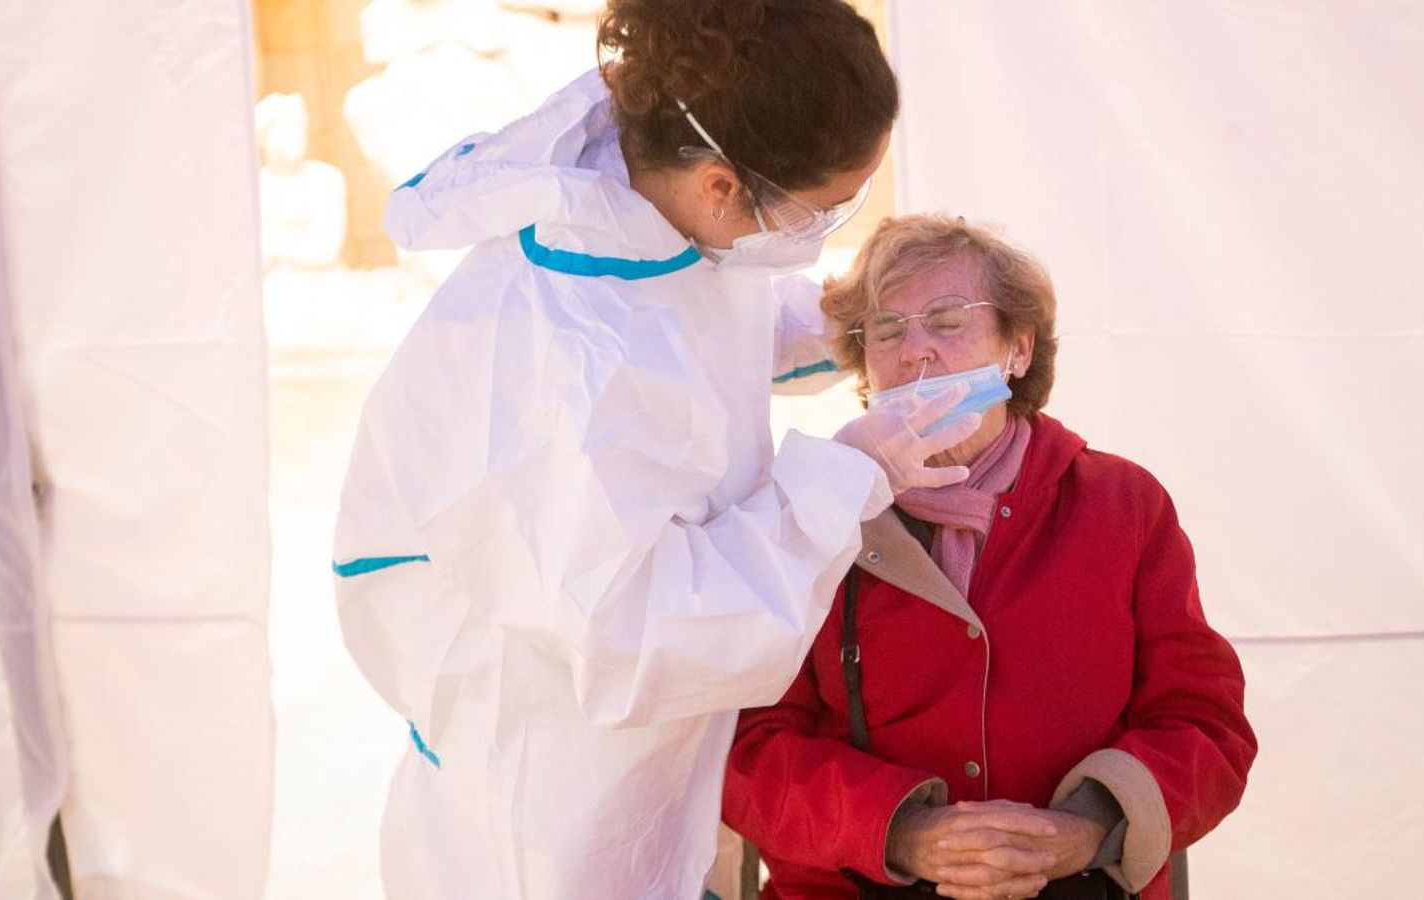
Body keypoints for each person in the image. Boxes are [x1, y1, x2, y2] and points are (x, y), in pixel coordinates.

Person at [331, 4, 984, 898]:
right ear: (721, 185)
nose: (823, 233)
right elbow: (646, 631)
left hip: (631, 756)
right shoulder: (565, 360)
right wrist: (847, 476)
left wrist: (853, 331)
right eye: (824, 210)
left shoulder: (648, 205)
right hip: (545, 766)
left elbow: (707, 321)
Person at [722, 215, 1257, 900]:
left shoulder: (1122, 503)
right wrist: (902, 831)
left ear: (1019, 350)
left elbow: (1205, 725)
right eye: (887, 330)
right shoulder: (805, 512)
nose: (915, 351)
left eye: (947, 321)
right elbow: (746, 747)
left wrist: (1088, 827)